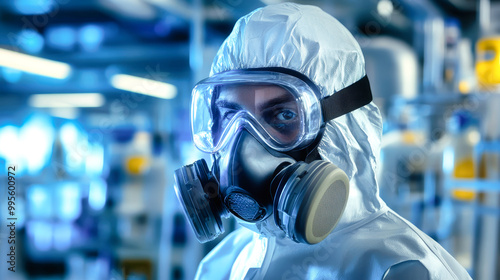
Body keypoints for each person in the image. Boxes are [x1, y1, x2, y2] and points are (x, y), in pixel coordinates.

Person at [173, 3, 472, 279]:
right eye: (230, 116)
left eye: (284, 116)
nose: (244, 145)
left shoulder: (402, 270)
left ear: (344, 128)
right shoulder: (224, 264)